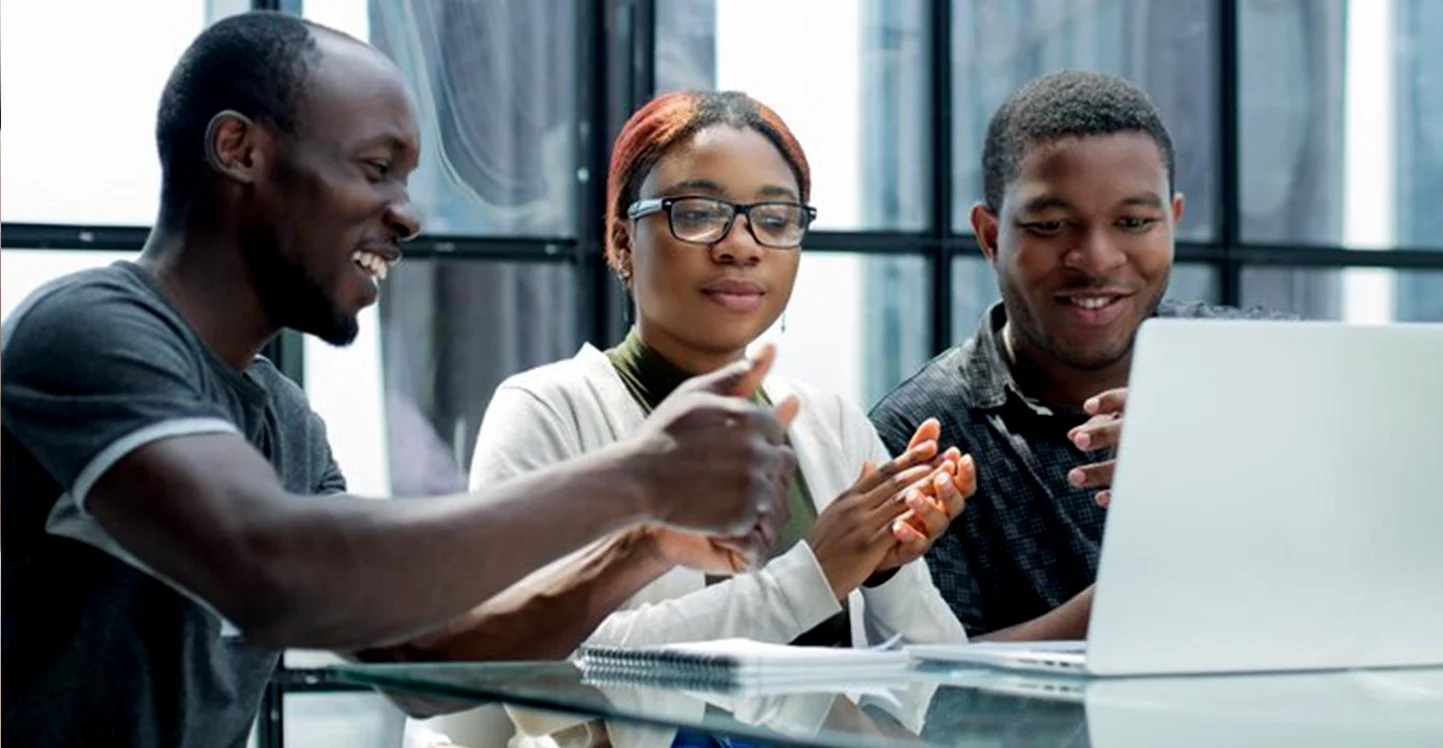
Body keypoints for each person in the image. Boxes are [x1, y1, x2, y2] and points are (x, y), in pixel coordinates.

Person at [0, 14, 796, 748]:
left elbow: (425, 654)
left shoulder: (282, 418)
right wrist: (637, 479)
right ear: (240, 149)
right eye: (376, 169)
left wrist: (640, 544)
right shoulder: (89, 328)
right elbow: (273, 573)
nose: (406, 215)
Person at [401, 89, 976, 748]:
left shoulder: (831, 425)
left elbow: (935, 683)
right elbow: (549, 669)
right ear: (621, 239)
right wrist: (815, 575)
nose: (741, 245)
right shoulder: (547, 411)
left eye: (775, 217)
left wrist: (884, 566)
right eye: (698, 214)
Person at [868, 71, 1284, 640]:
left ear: (1174, 222)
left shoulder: (1266, 371)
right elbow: (921, 689)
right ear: (990, 237)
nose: (1097, 257)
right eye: (1051, 225)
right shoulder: (916, 434)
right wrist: (1146, 585)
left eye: (1134, 222)